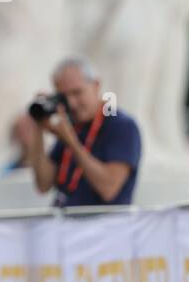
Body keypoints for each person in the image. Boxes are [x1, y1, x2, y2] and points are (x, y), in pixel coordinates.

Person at [21, 57, 142, 209]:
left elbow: (109, 189)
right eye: (64, 96)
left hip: (106, 227)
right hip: (65, 225)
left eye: (77, 93)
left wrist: (70, 141)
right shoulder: (71, 125)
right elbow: (43, 184)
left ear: (96, 86)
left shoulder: (121, 126)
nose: (72, 103)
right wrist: (38, 127)